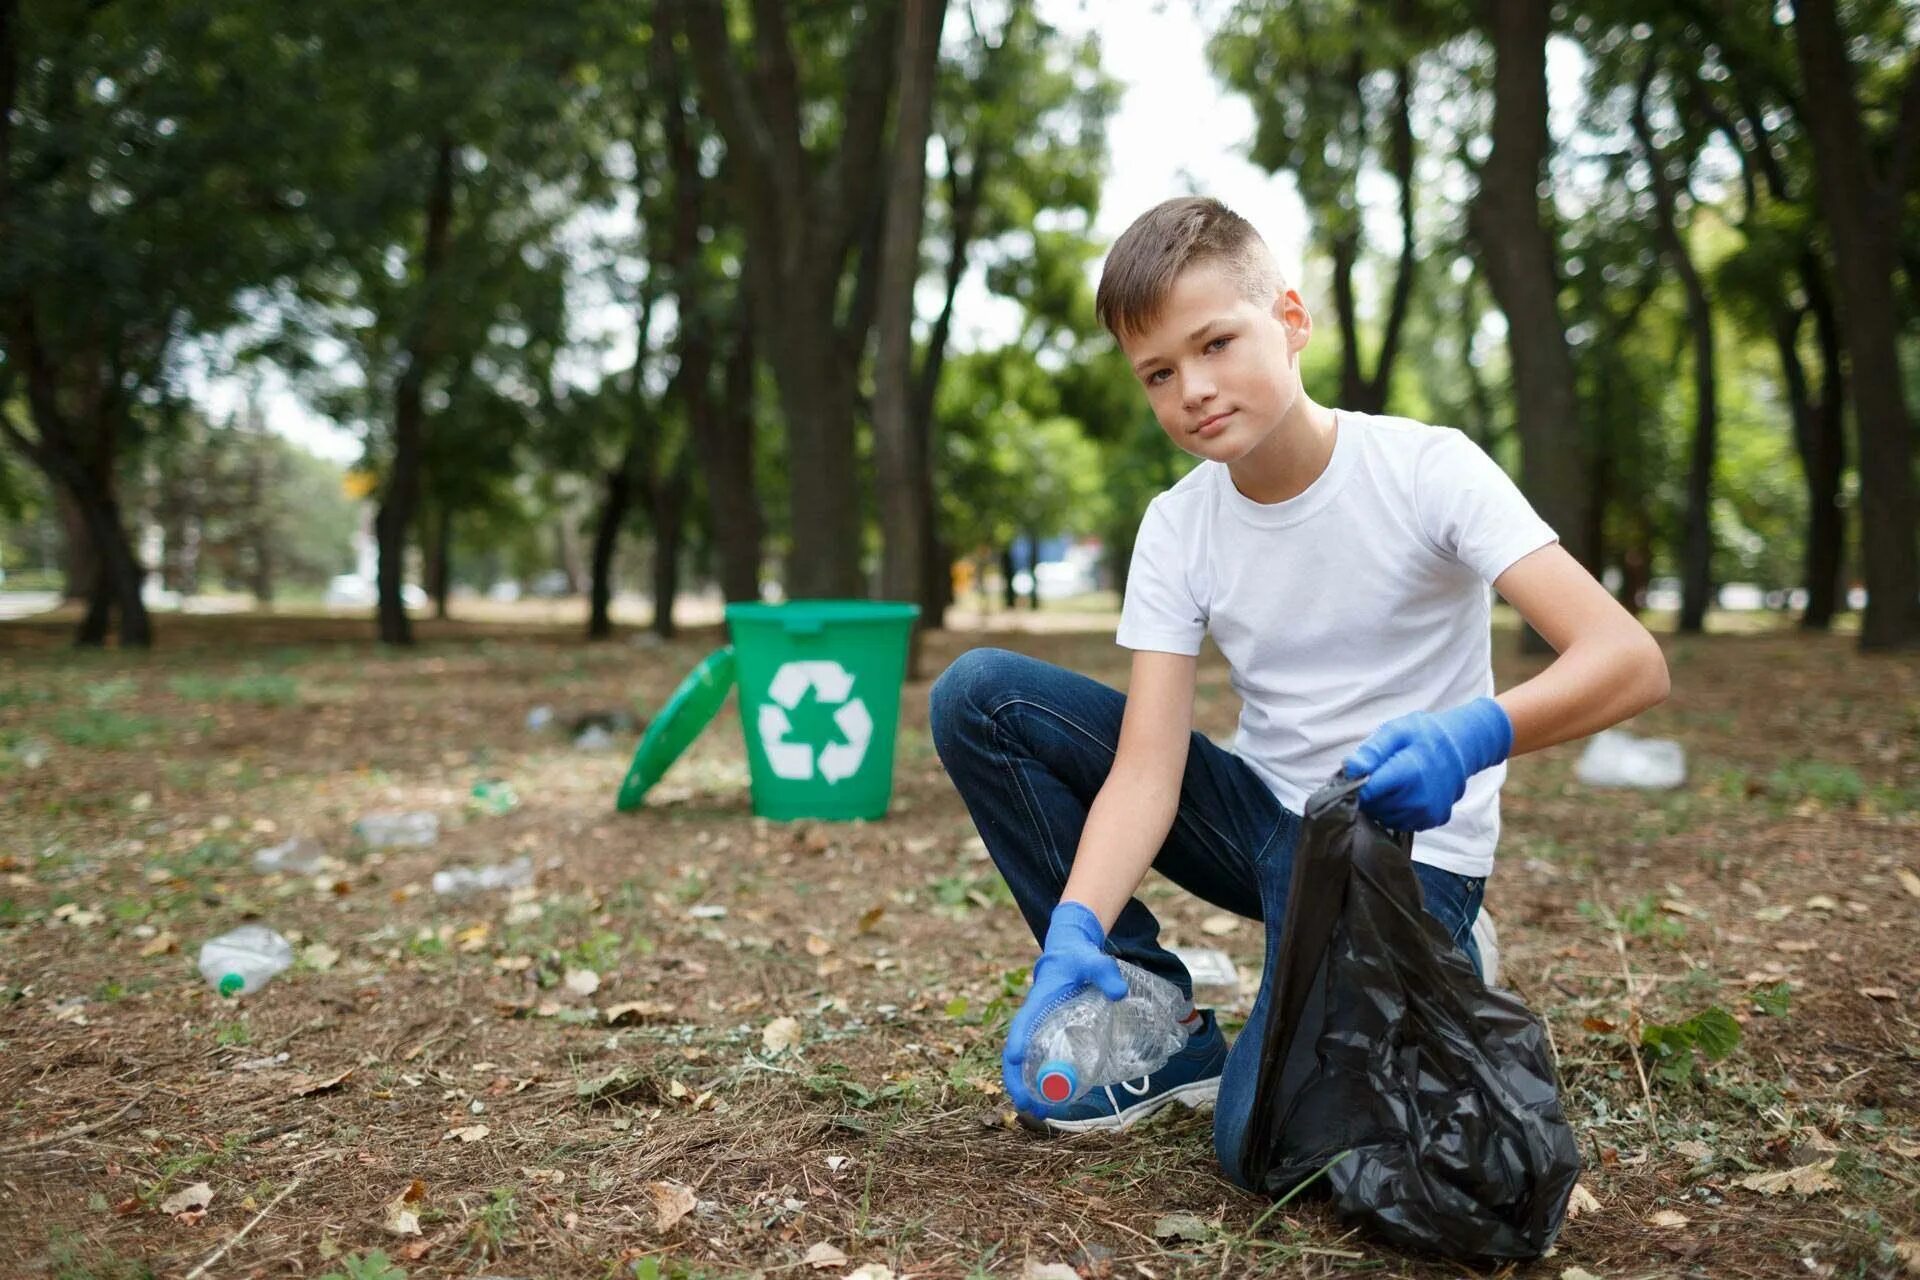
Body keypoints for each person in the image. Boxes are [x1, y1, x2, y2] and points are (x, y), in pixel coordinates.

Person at [927, 196, 1669, 1185]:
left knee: (1264, 1151)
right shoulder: (1179, 524)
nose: (1192, 388)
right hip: (1261, 822)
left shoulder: (1426, 469)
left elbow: (1628, 657)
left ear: (1290, 318)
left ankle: (1441, 954)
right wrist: (1078, 924)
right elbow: (1148, 774)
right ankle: (1160, 1019)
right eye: (1158, 372)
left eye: (1216, 343)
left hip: (1396, 849)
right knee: (980, 692)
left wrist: (1472, 734)